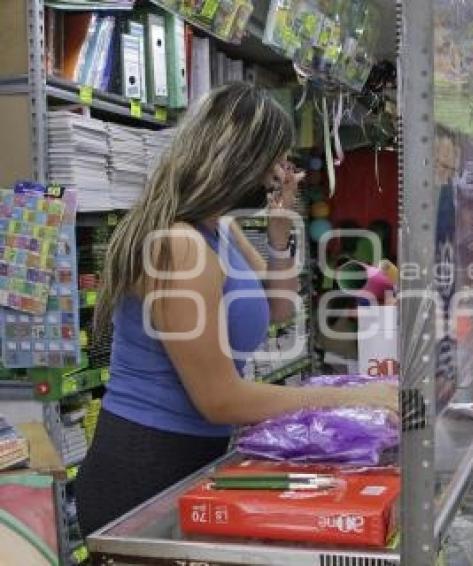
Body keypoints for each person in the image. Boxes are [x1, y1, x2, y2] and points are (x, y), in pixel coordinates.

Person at [76, 83, 397, 537]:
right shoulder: (181, 246)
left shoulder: (219, 227)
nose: (277, 175)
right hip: (146, 471)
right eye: (274, 160)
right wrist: (355, 399)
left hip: (192, 458)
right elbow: (220, 399)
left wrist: (281, 232)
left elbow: (279, 308)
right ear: (242, 158)